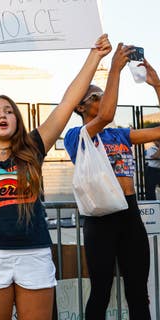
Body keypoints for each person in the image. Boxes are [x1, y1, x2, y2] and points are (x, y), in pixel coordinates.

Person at [0, 34, 111, 319]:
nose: (2, 114)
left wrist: (95, 56)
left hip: (34, 253)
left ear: (17, 120)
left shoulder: (34, 146)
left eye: (9, 110)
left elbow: (68, 102)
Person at [64, 46, 160, 319]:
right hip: (100, 216)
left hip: (129, 213)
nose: (105, 98)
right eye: (97, 96)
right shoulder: (76, 136)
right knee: (101, 291)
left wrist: (157, 85)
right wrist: (114, 69)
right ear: (80, 106)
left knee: (138, 294)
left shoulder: (120, 134)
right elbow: (105, 115)